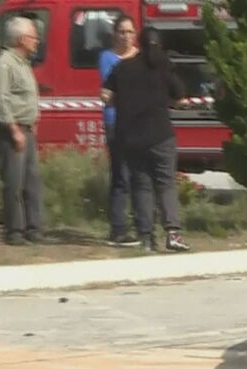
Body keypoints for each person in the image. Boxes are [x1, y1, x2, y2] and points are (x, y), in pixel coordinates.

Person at [102, 27, 190, 252]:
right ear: (159, 45)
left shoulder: (123, 67)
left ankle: (146, 238)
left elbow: (106, 96)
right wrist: (169, 101)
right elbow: (181, 97)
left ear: (138, 43)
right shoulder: (164, 66)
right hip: (161, 136)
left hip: (132, 138)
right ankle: (172, 233)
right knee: (166, 184)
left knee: (141, 186)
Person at [0, 16, 43, 246]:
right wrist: (15, 131)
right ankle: (15, 232)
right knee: (13, 183)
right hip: (12, 132)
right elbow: (1, 100)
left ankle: (34, 228)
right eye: (33, 37)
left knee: (32, 181)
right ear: (21, 39)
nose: (37, 41)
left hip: (26, 129)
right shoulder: (4, 63)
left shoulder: (23, 63)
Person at [98, 14, 139, 247]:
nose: (126, 36)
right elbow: (111, 92)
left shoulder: (142, 58)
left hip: (139, 124)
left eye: (130, 32)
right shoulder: (106, 58)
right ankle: (118, 228)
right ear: (115, 34)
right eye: (122, 31)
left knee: (140, 176)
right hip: (116, 123)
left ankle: (142, 223)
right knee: (121, 175)